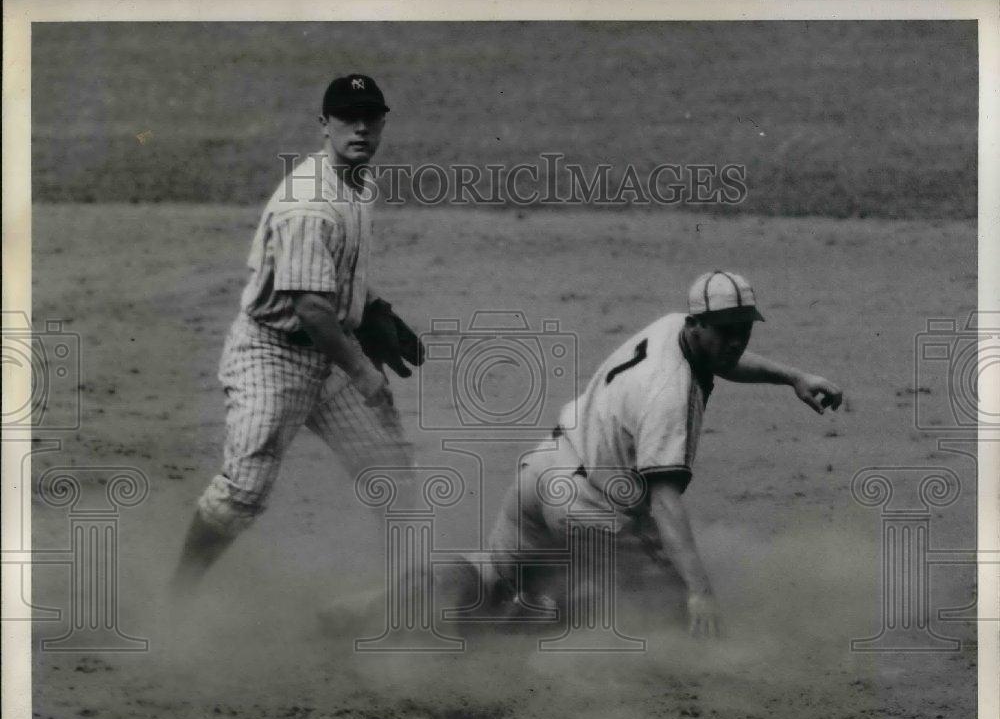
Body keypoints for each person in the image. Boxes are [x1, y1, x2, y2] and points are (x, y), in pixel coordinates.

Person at [477, 270, 843, 638]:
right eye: (725, 331)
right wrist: (699, 591)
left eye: (743, 330)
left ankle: (436, 632)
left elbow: (725, 359)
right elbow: (665, 503)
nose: (735, 342)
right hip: (585, 506)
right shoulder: (671, 396)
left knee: (487, 587)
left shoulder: (673, 327)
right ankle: (547, 633)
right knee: (675, 612)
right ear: (697, 324)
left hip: (541, 472)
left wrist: (794, 377)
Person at [171, 74, 421, 596]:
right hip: (273, 356)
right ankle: (178, 599)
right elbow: (309, 306)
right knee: (244, 492)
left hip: (326, 354)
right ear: (323, 125)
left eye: (369, 118)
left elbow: (334, 273)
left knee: (388, 470)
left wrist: (376, 309)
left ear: (382, 123)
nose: (359, 128)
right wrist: (362, 371)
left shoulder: (356, 181)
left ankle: (402, 599)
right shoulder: (309, 203)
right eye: (347, 118)